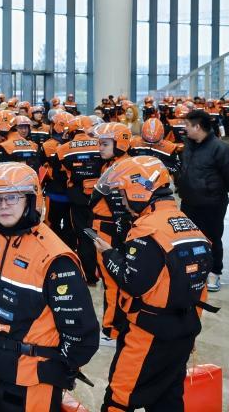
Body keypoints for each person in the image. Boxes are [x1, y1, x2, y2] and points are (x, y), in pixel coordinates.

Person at [92, 156, 216, 412]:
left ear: (138, 191)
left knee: (119, 399)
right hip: (184, 329)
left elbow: (133, 283)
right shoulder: (189, 224)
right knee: (168, 397)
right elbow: (199, 288)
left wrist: (108, 255)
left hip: (148, 334)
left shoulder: (147, 229)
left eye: (123, 194)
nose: (122, 201)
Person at [0, 162, 98, 411]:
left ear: (31, 200)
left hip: (33, 374)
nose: (3, 205)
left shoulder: (55, 257)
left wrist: (57, 368)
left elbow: (82, 333)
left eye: (12, 197)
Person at [175, 108, 229, 292]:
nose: (185, 128)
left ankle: (214, 272)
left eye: (187, 125)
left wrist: (214, 191)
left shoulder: (221, 149)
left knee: (211, 238)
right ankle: (191, 270)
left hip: (212, 204)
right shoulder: (187, 146)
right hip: (188, 202)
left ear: (197, 127)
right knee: (187, 238)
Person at [88, 122, 132, 346]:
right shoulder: (112, 165)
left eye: (105, 144)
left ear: (119, 144)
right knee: (109, 278)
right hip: (104, 226)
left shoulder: (121, 168)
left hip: (110, 228)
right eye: (100, 143)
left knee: (112, 280)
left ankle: (111, 330)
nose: (100, 148)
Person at [56, 115, 104, 284]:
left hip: (77, 198)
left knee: (83, 236)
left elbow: (60, 172)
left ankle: (89, 276)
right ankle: (104, 272)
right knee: (101, 234)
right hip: (100, 197)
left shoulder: (63, 149)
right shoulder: (101, 144)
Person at [39, 111, 75, 248]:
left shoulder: (47, 146)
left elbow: (40, 167)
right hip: (73, 193)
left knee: (51, 226)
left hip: (54, 193)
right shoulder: (77, 145)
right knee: (70, 227)